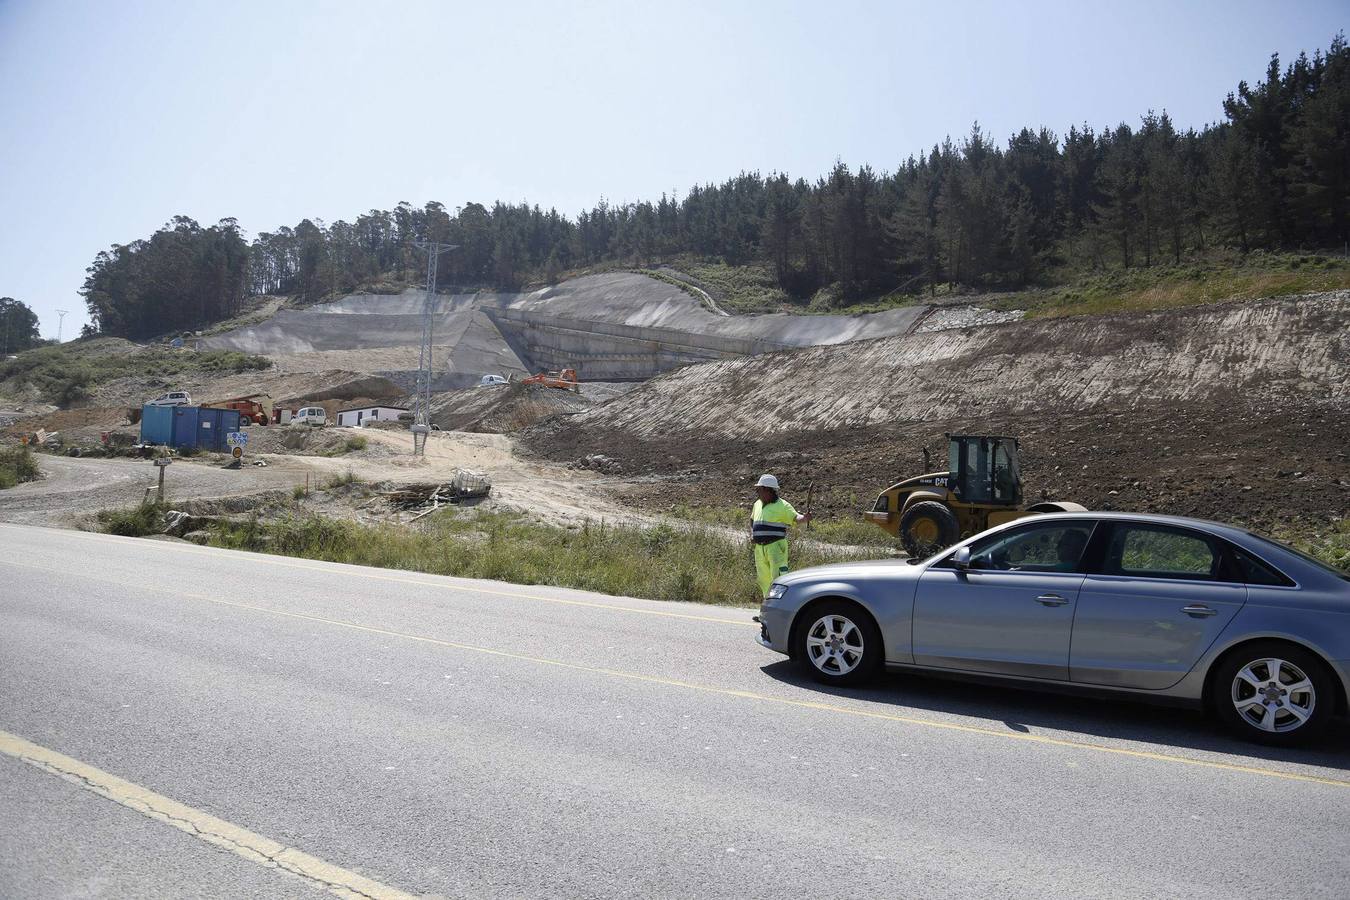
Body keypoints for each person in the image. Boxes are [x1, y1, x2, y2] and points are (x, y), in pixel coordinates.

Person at [750, 474, 811, 599]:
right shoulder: (757, 504)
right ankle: (767, 609)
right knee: (764, 579)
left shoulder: (782, 505)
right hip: (759, 549)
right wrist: (753, 533)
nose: (757, 492)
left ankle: (778, 608)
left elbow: (796, 517)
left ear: (768, 490)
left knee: (778, 579)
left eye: (759, 489)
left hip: (775, 547)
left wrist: (804, 518)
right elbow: (752, 520)